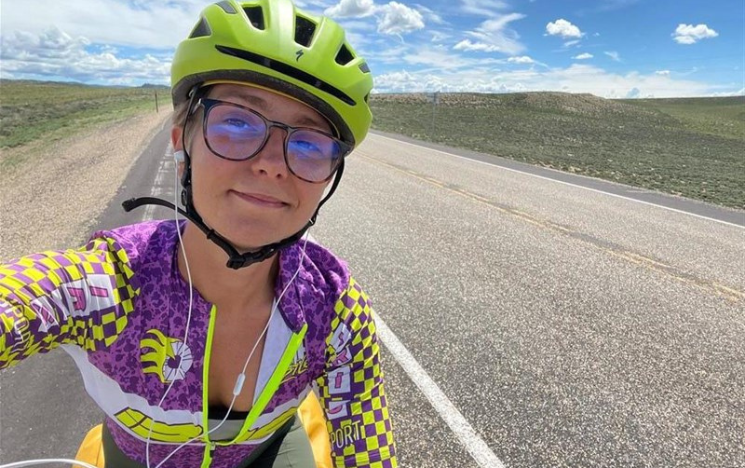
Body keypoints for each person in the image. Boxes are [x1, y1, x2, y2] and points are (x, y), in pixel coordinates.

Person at [0, 0, 397, 467]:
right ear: (181, 143)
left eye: (309, 142)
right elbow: (22, 298)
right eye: (238, 121)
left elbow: (369, 449)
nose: (271, 163)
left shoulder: (332, 310)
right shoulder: (106, 286)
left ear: (328, 176)